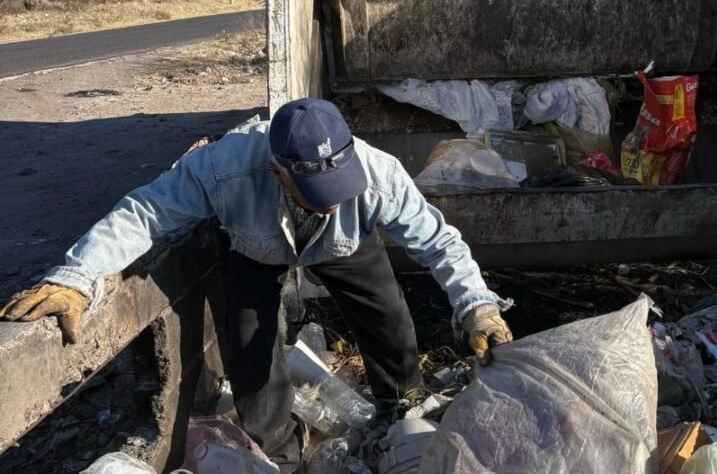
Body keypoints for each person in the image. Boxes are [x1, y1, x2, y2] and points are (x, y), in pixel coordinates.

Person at [0, 98, 513, 470]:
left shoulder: (379, 176)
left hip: (344, 243)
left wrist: (477, 307)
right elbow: (145, 212)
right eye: (316, 191)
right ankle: (282, 457)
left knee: (388, 317)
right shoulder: (222, 168)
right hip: (251, 242)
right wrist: (76, 276)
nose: (331, 198)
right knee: (249, 343)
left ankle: (398, 407)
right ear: (278, 171)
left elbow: (439, 242)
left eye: (339, 185)